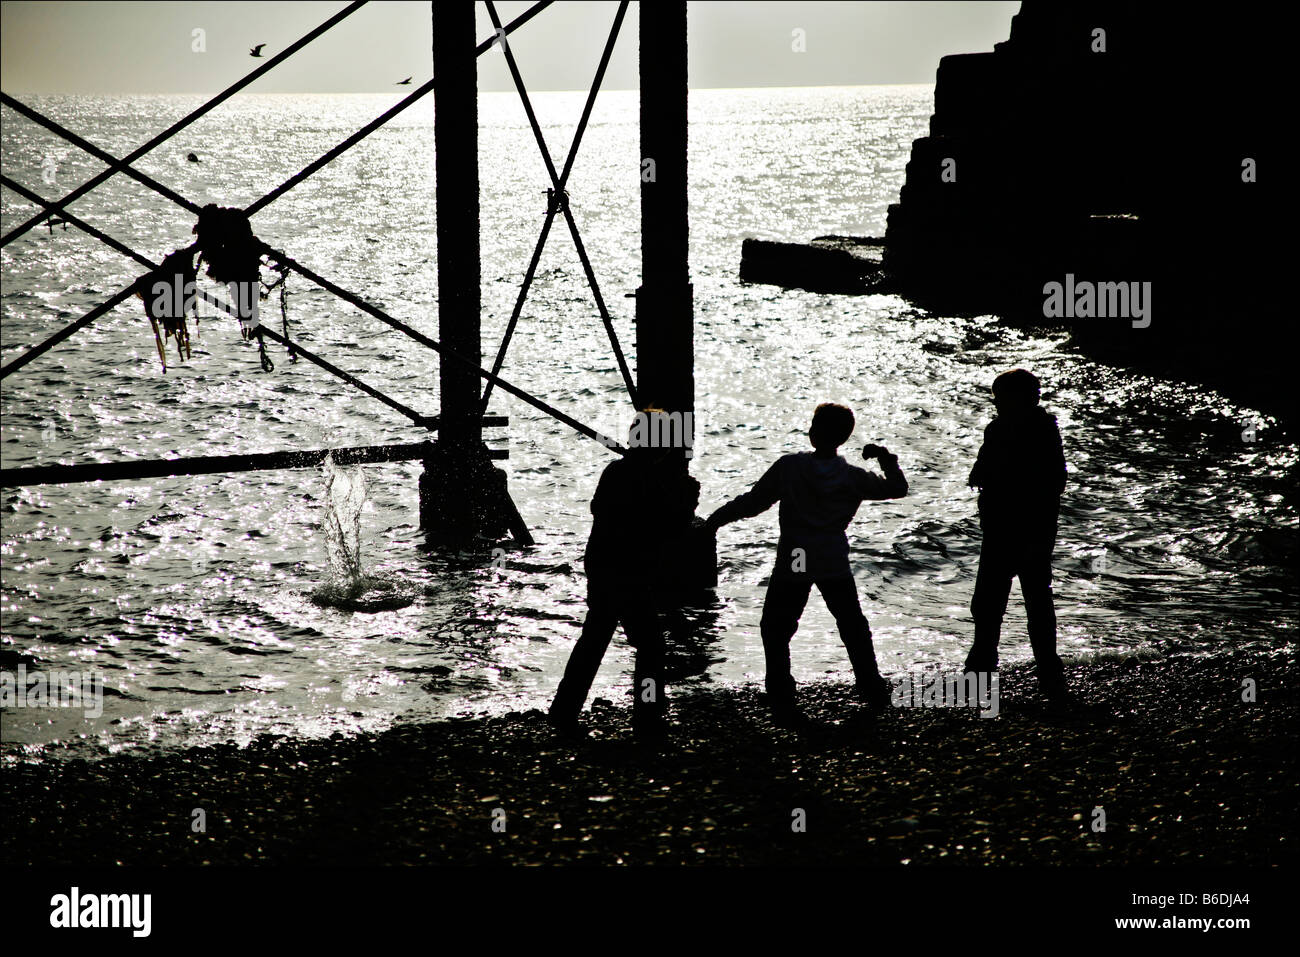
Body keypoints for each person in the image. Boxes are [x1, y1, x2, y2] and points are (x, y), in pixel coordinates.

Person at [703, 403, 907, 723]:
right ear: (843, 436)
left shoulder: (790, 467)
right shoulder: (853, 477)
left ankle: (780, 689)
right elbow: (898, 488)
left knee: (777, 626)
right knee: (851, 623)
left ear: (814, 431)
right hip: (832, 558)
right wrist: (885, 457)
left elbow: (754, 502)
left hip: (796, 558)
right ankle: (871, 685)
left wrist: (716, 520)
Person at [549, 410, 700, 739]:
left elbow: (602, 511)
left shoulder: (618, 471)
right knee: (650, 646)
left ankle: (564, 710)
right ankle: (647, 714)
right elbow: (670, 529)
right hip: (628, 572)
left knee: (595, 639)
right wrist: (686, 502)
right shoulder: (648, 479)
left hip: (604, 566)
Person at [964, 368, 1070, 705]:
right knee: (1036, 600)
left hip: (1005, 529)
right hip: (1036, 528)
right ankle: (1048, 673)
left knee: (989, 602)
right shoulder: (1045, 428)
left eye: (999, 398)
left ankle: (981, 672)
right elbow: (1056, 481)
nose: (995, 405)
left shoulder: (1003, 429)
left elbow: (982, 473)